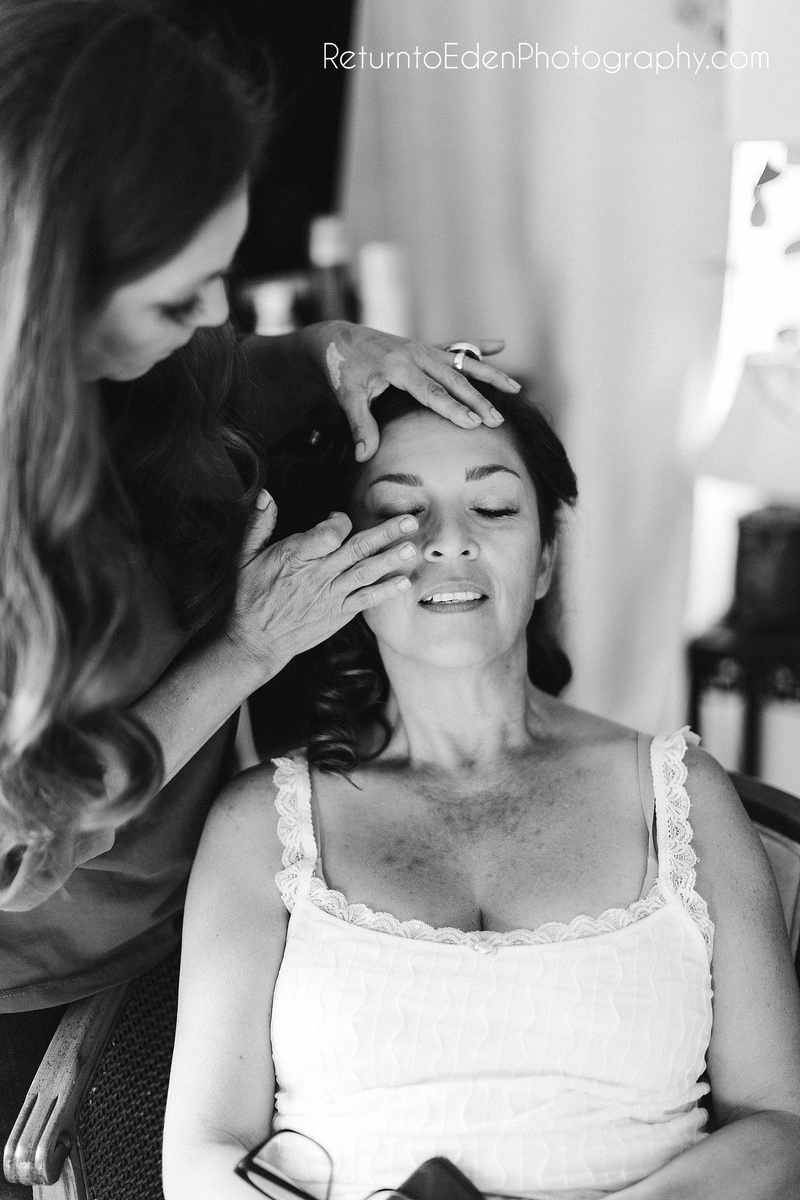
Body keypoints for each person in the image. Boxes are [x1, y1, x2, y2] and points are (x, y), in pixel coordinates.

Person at [0, 0, 519, 1186]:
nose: (212, 317)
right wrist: (244, 650)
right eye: (175, 299)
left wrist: (329, 350)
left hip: (184, 908)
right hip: (36, 980)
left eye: (495, 508)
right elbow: (20, 826)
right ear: (47, 288)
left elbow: (217, 372)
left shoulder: (135, 362)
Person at [164, 387, 800, 1200]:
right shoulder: (262, 821)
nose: (450, 539)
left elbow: (779, 1125)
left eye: (494, 508)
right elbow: (202, 1156)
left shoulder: (679, 794)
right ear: (343, 572)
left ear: (544, 563)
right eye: (401, 513)